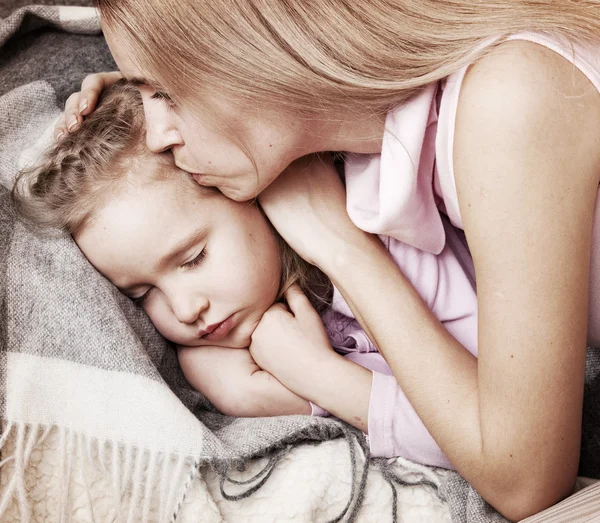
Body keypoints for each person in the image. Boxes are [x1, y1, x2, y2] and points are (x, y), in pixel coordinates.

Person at [54, 2, 600, 519]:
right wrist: (126, 102)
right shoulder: (385, 157)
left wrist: (339, 256)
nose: (156, 132)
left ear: (249, 48)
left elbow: (527, 478)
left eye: (165, 93)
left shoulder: (510, 99)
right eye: (142, 91)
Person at [15, 80, 479, 470]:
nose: (184, 309)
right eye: (142, 293)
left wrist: (316, 384)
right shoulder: (225, 346)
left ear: (253, 192)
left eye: (194, 258)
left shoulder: (386, 233)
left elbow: (494, 438)